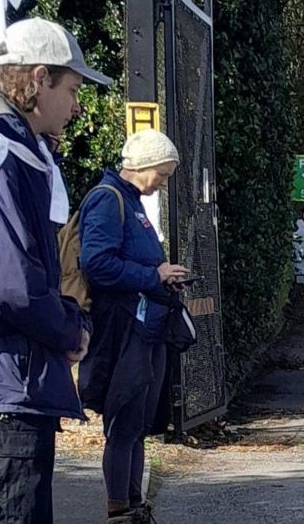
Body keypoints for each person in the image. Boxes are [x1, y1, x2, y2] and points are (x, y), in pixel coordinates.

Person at [0, 18, 105, 524]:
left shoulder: (12, 148)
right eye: (73, 88)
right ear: (39, 78)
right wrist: (69, 328)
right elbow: (13, 284)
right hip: (4, 388)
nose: (77, 105)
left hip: (5, 383)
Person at [78, 129, 189, 523]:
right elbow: (96, 263)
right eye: (162, 173)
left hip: (145, 327)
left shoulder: (131, 202)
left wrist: (161, 276)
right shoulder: (108, 201)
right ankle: (120, 509)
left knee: (138, 424)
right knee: (125, 422)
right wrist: (153, 275)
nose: (164, 182)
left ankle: (133, 505)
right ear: (142, 166)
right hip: (125, 330)